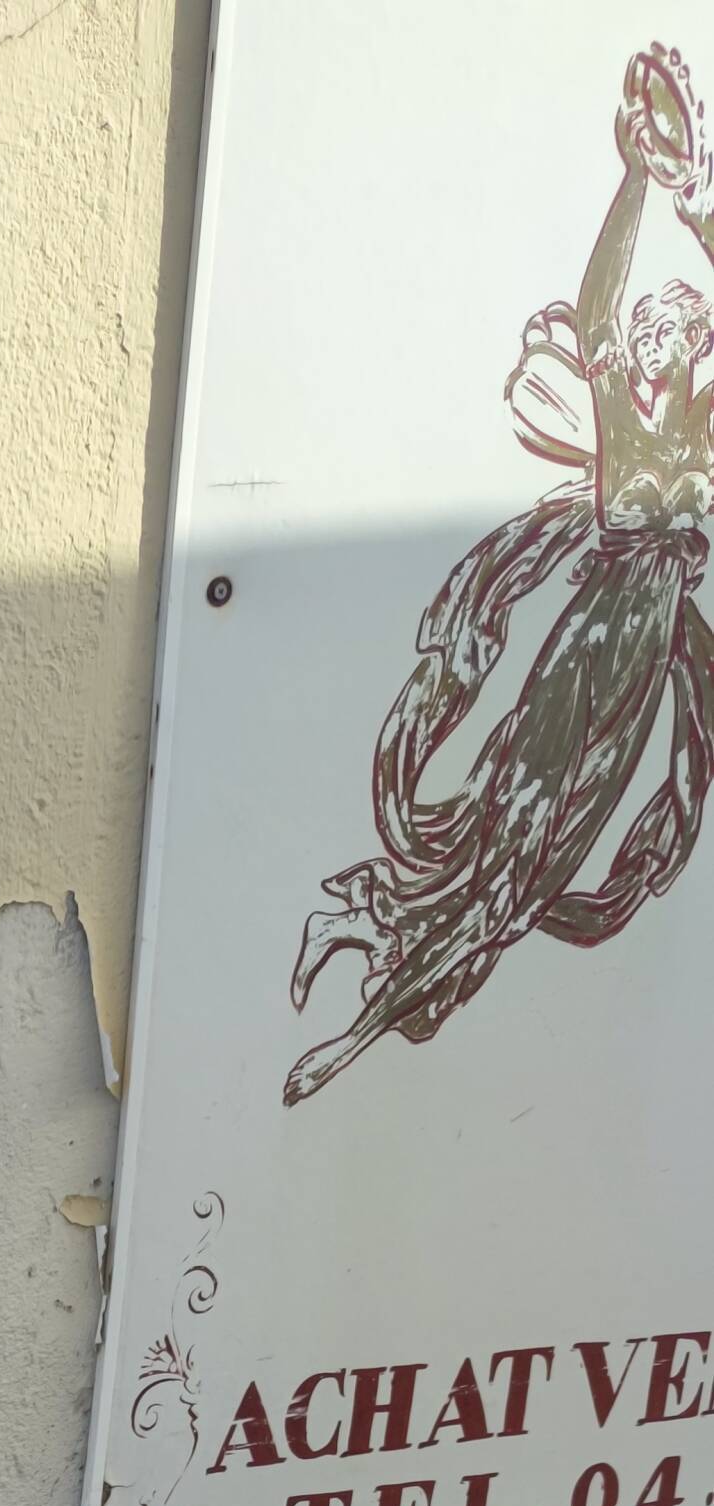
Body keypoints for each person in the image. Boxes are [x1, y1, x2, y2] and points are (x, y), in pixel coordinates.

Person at [287, 43, 714, 1102]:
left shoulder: (703, 433)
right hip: (595, 642)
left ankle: (393, 967)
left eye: (693, 337)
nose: (684, 348)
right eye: (680, 336)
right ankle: (387, 969)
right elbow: (597, 308)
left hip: (651, 648)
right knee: (509, 821)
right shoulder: (621, 417)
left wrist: (694, 193)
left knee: (554, 844)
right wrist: (634, 181)